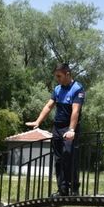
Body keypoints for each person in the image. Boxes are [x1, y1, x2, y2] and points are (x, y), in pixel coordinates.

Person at [26, 63, 85, 196]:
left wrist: (71, 130)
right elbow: (48, 106)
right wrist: (38, 121)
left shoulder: (77, 89)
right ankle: (62, 189)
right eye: (56, 76)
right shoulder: (58, 89)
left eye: (59, 76)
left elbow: (75, 112)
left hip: (69, 127)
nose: (57, 79)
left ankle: (74, 188)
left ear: (67, 74)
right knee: (58, 159)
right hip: (57, 127)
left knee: (69, 155)